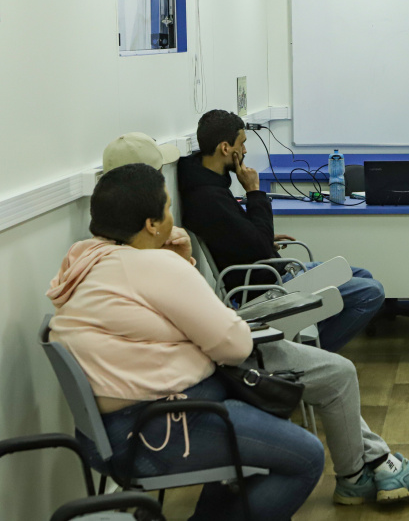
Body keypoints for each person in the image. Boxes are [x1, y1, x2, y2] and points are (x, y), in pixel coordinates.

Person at [102, 137, 409, 506]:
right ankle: (373, 464)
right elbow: (223, 329)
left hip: (209, 350)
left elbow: (195, 312)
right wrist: (253, 195)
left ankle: (371, 464)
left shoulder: (103, 261)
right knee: (344, 352)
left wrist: (187, 263)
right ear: (149, 217)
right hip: (242, 314)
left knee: (353, 285)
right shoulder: (156, 256)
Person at [47, 163, 324, 520]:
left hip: (108, 435)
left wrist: (181, 264)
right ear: (152, 224)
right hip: (153, 434)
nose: (170, 215)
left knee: (253, 423)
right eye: (166, 207)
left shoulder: (87, 261)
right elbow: (235, 345)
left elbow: (157, 321)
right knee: (307, 457)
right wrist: (178, 266)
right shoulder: (152, 266)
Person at [177, 109, 384, 353]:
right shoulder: (208, 198)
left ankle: (308, 338)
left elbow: (239, 237)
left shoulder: (207, 183)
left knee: (363, 274)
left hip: (272, 272)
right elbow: (260, 247)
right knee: (372, 293)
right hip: (269, 287)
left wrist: (258, 234)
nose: (244, 151)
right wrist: (254, 193)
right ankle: (310, 355)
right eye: (242, 144)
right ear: (225, 148)